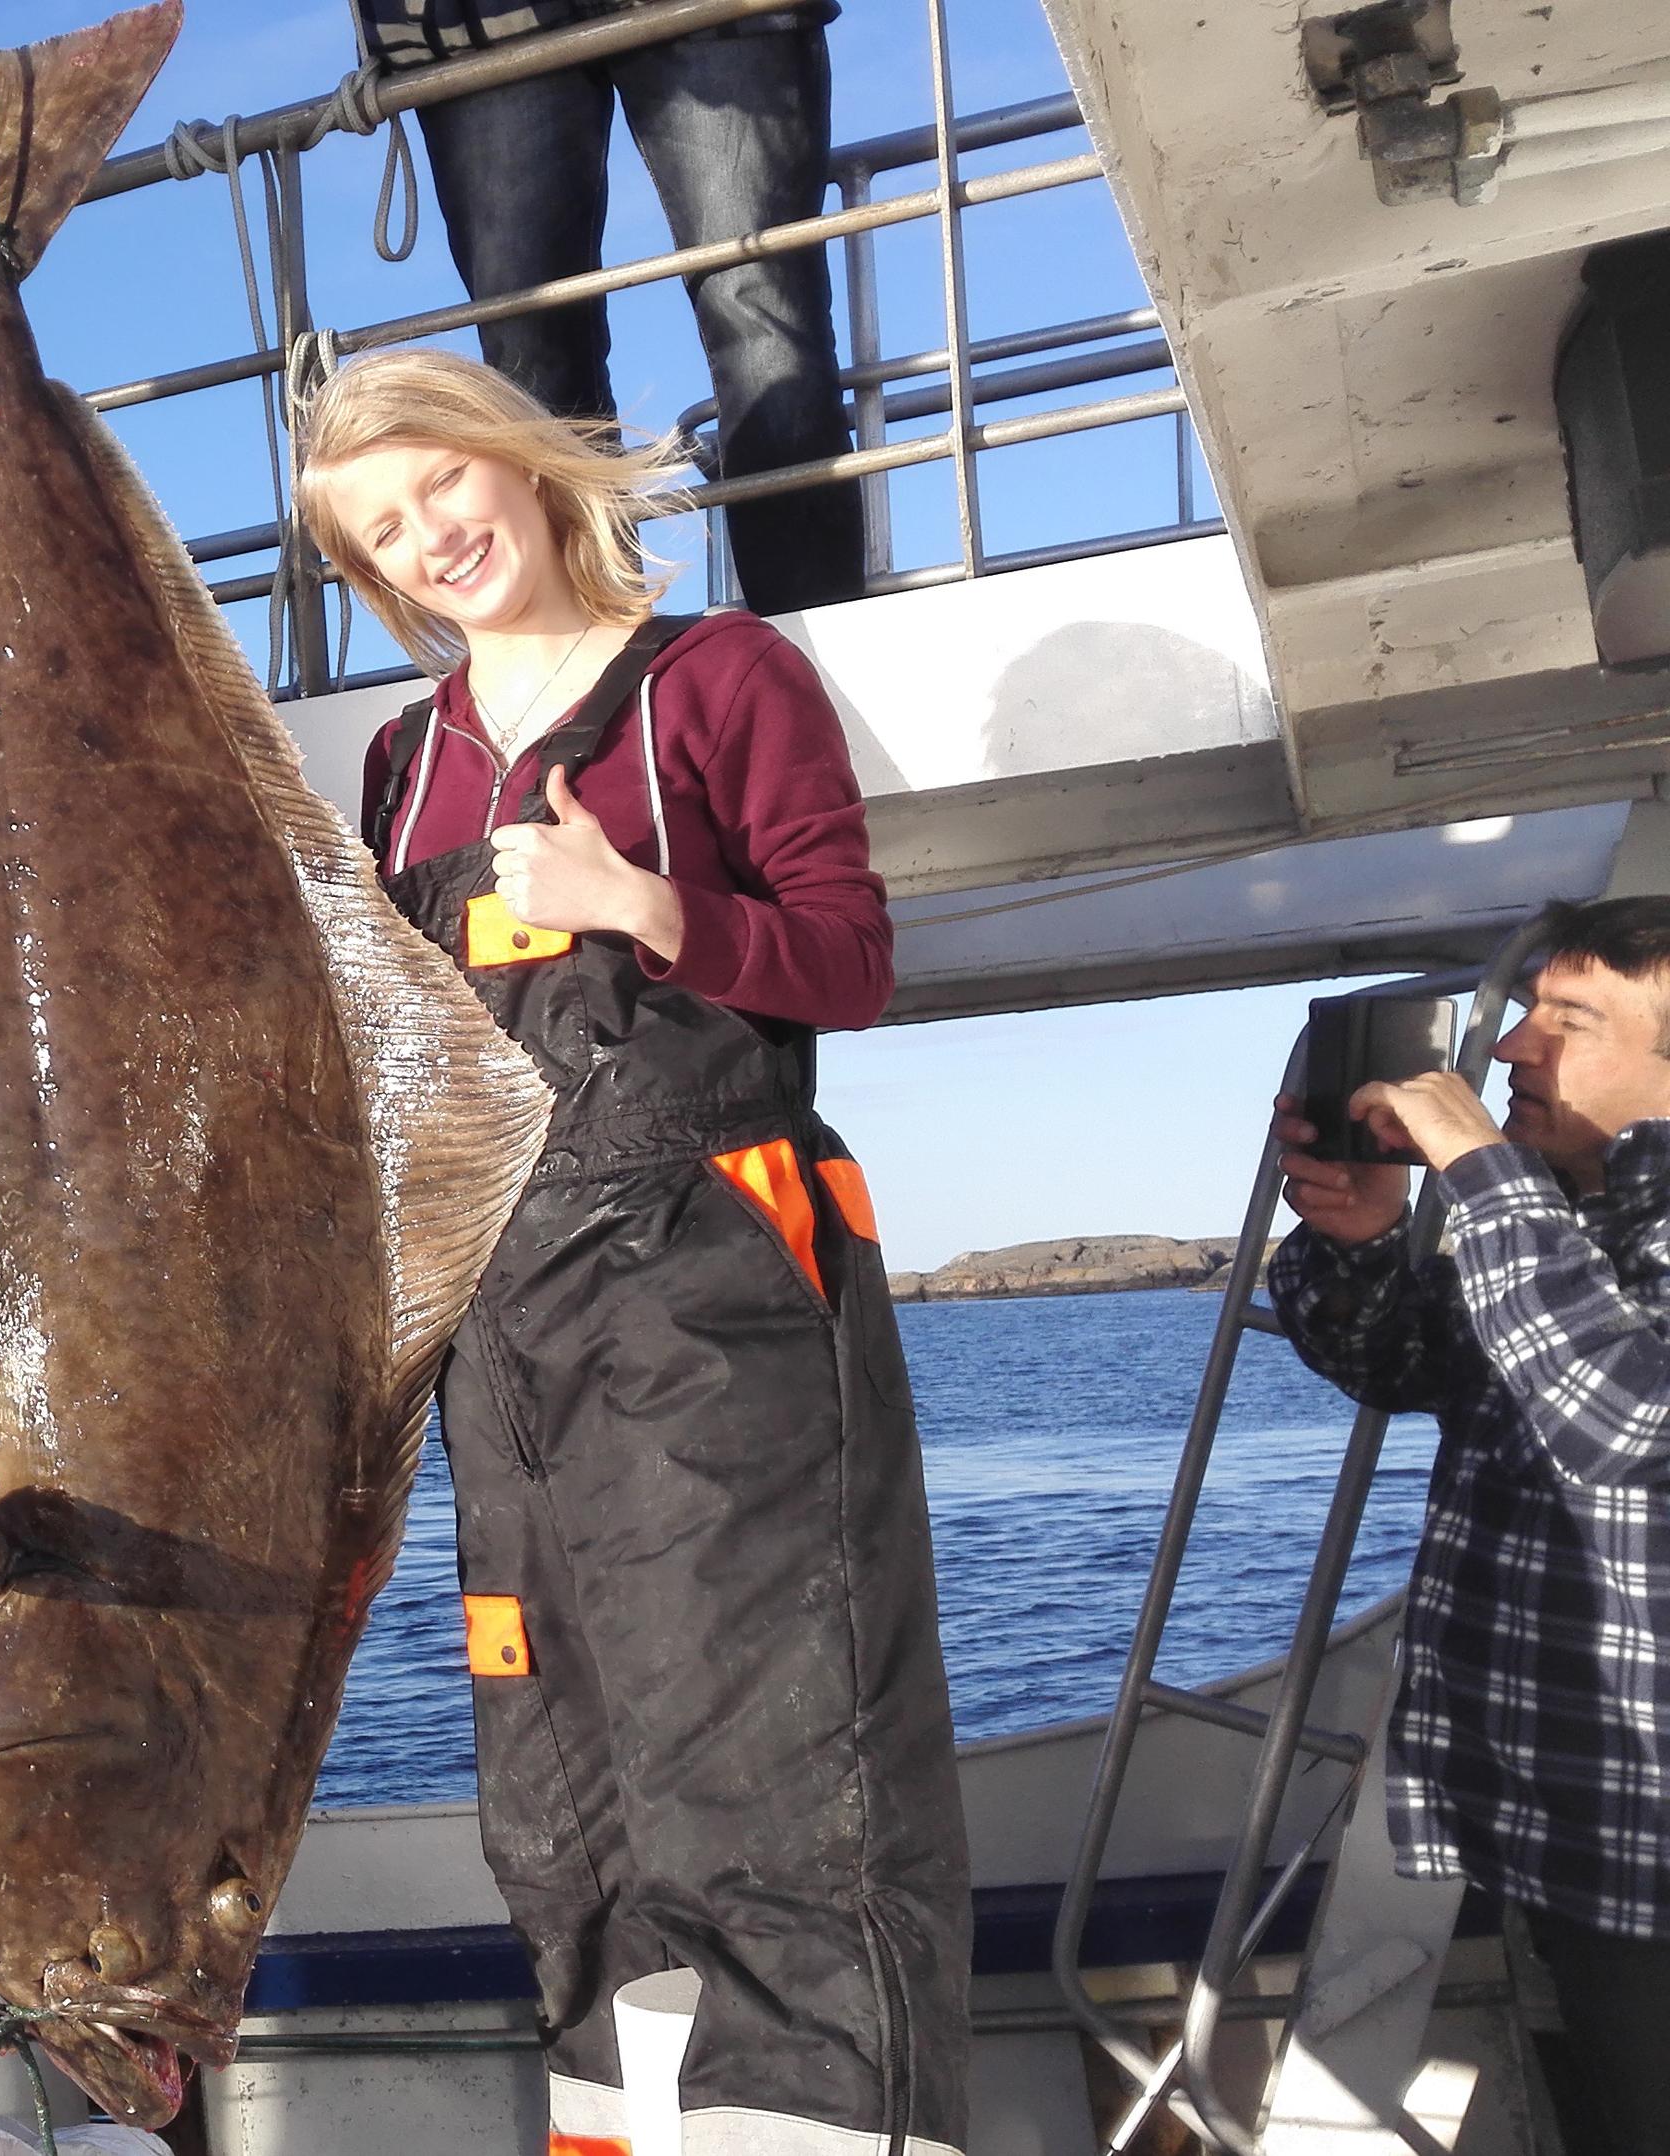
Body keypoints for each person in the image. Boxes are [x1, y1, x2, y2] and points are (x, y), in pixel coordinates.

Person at [296, 348, 967, 2155]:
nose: (429, 536)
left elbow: (850, 961)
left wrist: (641, 904)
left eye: (440, 487)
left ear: (516, 468)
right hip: (501, 1344)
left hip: (714, 1297)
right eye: (381, 531)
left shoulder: (724, 677)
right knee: (562, 1799)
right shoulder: (399, 760)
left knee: (773, 1770)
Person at [1270, 898, 1670, 2156]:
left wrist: (1480, 1169)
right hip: (1558, 1824)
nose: (1513, 1051)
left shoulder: (1531, 1206)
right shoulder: (1569, 1212)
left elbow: (1624, 1419)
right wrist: (1368, 1238)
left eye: (1571, 1019)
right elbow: (1409, 1364)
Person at [352, 0, 867, 614]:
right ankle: (589, 653)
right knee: (530, 368)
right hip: (471, 23)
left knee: (763, 317)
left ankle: (810, 640)